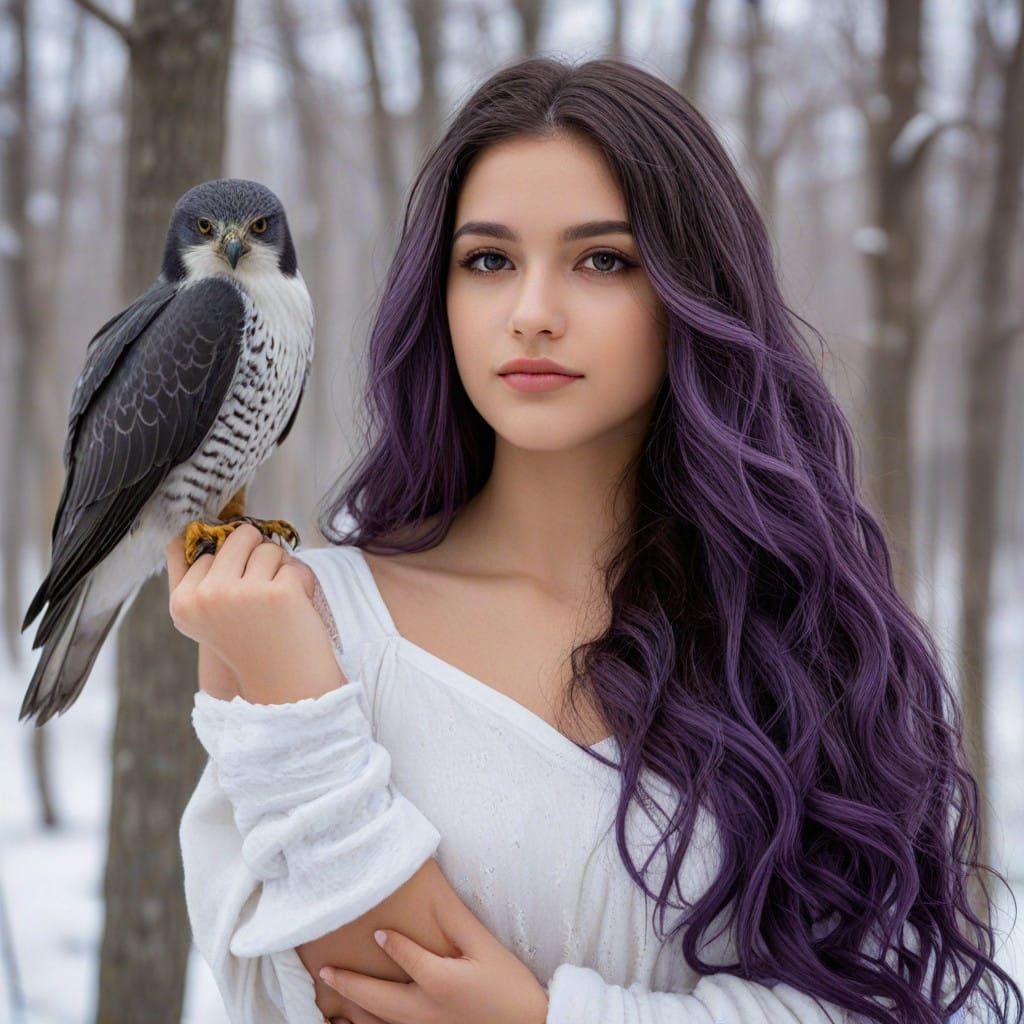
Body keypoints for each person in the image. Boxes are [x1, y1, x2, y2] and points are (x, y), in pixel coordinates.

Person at [170, 56, 1018, 1024]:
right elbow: (311, 997)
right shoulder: (302, 621)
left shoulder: (799, 626)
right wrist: (293, 694)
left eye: (602, 259)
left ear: (690, 294)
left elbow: (886, 997)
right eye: (488, 260)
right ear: (437, 297)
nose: (532, 311)